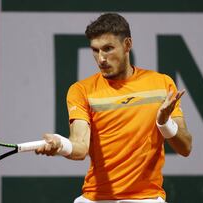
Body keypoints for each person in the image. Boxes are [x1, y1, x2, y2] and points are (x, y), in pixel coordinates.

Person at [36, 13, 192, 203]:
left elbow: (185, 147)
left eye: (108, 49)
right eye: (95, 50)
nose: (101, 59)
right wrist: (60, 144)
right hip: (96, 198)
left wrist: (164, 123)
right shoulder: (81, 90)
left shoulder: (162, 84)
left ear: (127, 45)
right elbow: (80, 147)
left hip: (146, 198)